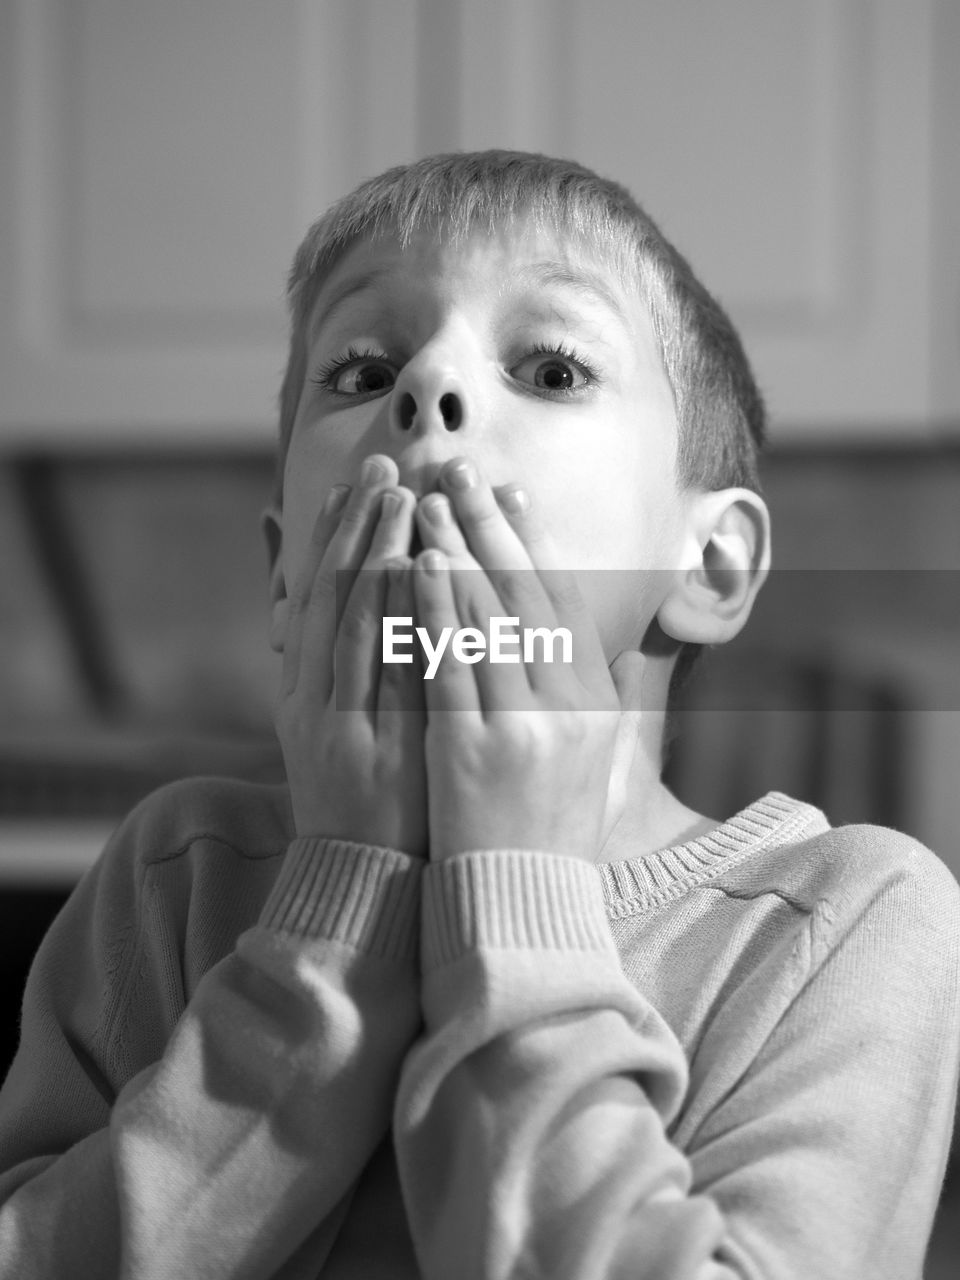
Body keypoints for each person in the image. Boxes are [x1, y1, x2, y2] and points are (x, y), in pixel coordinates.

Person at [0, 150, 957, 1279]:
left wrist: (511, 889)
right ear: (283, 572)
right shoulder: (174, 876)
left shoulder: (844, 922)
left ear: (708, 564)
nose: (428, 389)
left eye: (552, 369)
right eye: (362, 370)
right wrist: (340, 904)